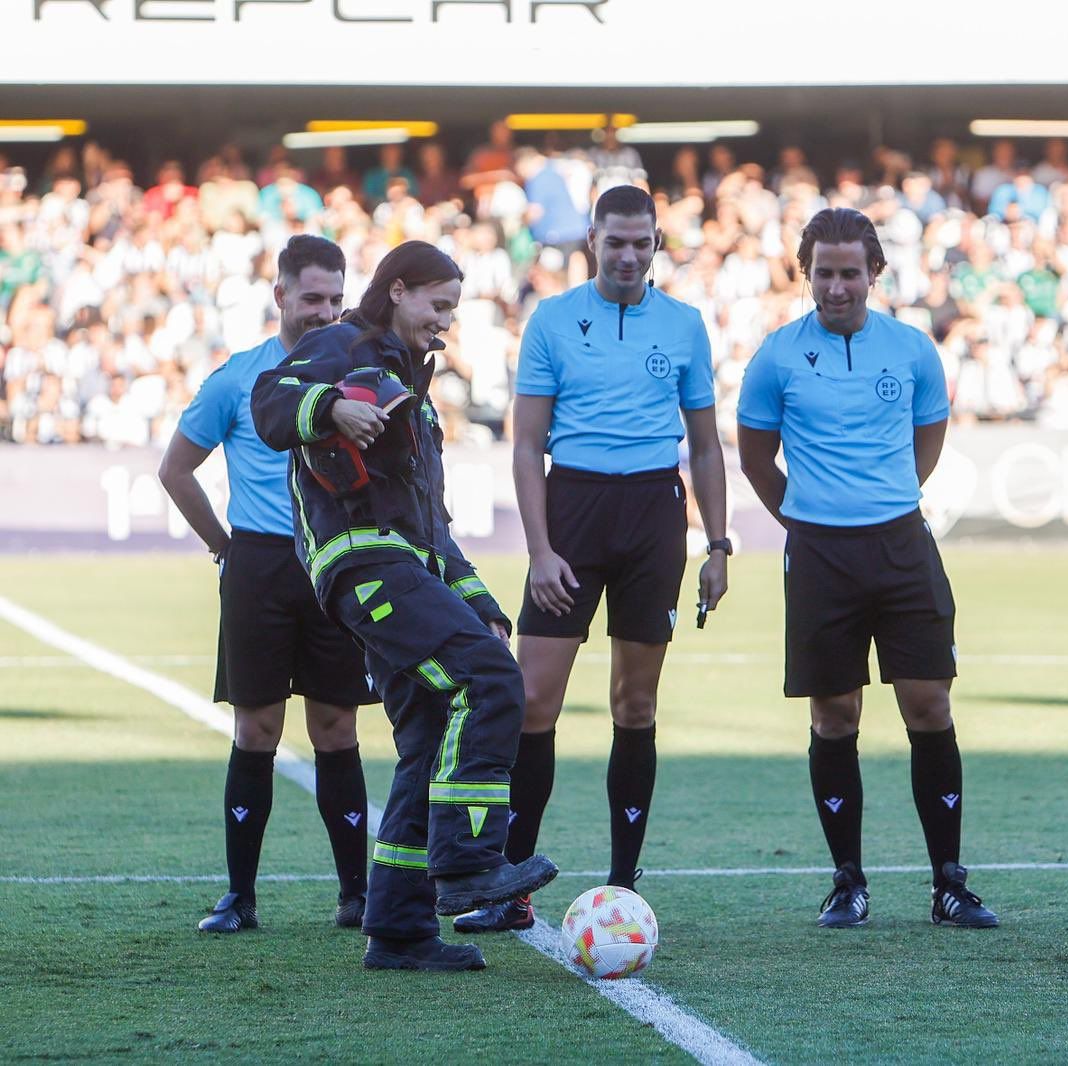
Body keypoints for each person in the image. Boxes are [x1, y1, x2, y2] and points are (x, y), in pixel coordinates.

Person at [250, 241, 558, 971]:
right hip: (364, 564)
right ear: (395, 291)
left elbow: (434, 525)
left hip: (403, 566)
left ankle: (398, 932)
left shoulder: (410, 390)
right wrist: (329, 408)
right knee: (490, 682)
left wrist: (478, 598)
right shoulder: (342, 342)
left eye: (453, 308)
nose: (446, 321)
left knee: (425, 737)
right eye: (438, 305)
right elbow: (268, 405)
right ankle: (468, 867)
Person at [451, 185, 729, 934]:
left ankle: (622, 886)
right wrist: (540, 550)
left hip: (652, 517)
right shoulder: (552, 320)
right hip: (571, 514)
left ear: (657, 245)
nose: (629, 255)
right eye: (615, 242)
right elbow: (525, 444)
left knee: (634, 705)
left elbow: (704, 446)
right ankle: (512, 885)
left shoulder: (684, 325)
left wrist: (719, 544)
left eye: (641, 243)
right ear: (593, 243)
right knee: (532, 703)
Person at [737, 206, 997, 931]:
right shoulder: (777, 355)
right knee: (835, 715)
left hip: (901, 545)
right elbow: (756, 457)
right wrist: (806, 514)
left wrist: (886, 501)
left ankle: (949, 881)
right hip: (819, 553)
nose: (837, 286)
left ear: (874, 274)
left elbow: (930, 432)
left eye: (851, 272)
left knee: (929, 707)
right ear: (807, 275)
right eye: (824, 273)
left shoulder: (911, 350)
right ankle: (847, 880)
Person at [159, 235, 374, 935]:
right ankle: (240, 898)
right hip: (260, 564)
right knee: (256, 727)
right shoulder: (239, 378)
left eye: (336, 299)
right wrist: (223, 546)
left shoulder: (359, 372)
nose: (325, 311)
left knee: (336, 726)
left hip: (334, 562)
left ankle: (356, 895)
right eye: (312, 297)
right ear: (279, 295)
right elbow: (176, 469)